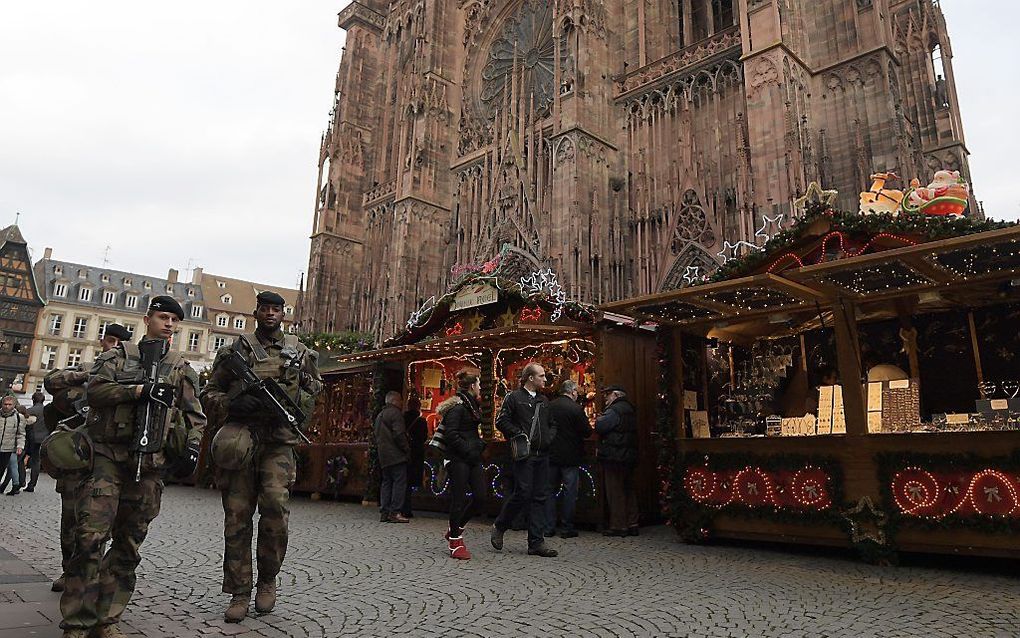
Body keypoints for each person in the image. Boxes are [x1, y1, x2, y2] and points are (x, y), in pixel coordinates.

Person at [59, 297, 205, 638]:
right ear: (147, 320)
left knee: (128, 545)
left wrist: (192, 448)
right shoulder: (118, 357)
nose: (168, 324)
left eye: (174, 319)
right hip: (108, 459)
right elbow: (93, 392)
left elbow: (194, 415)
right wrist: (139, 390)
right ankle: (77, 622)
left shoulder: (180, 367)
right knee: (90, 538)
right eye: (162, 317)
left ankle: (107, 619)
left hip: (151, 467)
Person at [201, 290, 322, 624]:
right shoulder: (234, 352)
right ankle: (240, 591)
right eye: (266, 308)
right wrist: (233, 404)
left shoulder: (300, 352)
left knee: (275, 514)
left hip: (279, 443)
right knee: (237, 516)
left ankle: (268, 580)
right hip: (242, 438)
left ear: (284, 315)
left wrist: (297, 402)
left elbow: (315, 389)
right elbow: (209, 392)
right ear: (256, 312)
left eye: (277, 309)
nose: (271, 314)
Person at [43, 322, 131, 593]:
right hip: (74, 459)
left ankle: (93, 576)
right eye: (111, 341)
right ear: (103, 341)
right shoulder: (86, 369)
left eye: (120, 343)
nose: (114, 347)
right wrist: (86, 374)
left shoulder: (125, 373)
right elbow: (51, 381)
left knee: (101, 522)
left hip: (105, 458)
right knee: (70, 521)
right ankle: (68, 571)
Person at [490, 362, 558, 558]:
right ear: (530, 378)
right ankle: (501, 525)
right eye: (542, 376)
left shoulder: (544, 401)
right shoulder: (514, 398)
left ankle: (536, 542)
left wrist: (548, 438)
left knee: (540, 496)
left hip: (542, 453)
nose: (545, 379)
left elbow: (552, 424)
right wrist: (519, 435)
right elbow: (502, 421)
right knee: (523, 492)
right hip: (524, 454)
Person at [438, 370, 485, 559]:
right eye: (479, 384)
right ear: (472, 386)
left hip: (472, 457)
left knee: (480, 496)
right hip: (458, 458)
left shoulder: (472, 406)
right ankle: (455, 541)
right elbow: (451, 434)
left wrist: (478, 446)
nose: (481, 387)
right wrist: (468, 448)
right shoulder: (457, 408)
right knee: (458, 499)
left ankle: (455, 528)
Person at [545, 380, 591, 538]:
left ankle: (549, 527)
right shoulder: (576, 409)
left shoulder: (549, 406)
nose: (577, 394)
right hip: (571, 456)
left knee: (549, 491)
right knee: (570, 492)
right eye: (576, 392)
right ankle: (567, 527)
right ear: (572, 392)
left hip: (551, 455)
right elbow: (587, 431)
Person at [596, 385, 639, 537]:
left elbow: (600, 426)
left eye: (607, 395)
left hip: (615, 455)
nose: (605, 398)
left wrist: (598, 418)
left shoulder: (614, 410)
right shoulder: (629, 408)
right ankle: (632, 523)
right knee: (629, 489)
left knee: (615, 491)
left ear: (614, 395)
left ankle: (619, 525)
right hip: (629, 455)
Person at [374, 391, 409, 524]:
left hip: (383, 455)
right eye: (400, 400)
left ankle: (384, 512)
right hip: (396, 454)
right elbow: (399, 434)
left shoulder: (380, 415)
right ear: (394, 401)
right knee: (399, 482)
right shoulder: (395, 414)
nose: (401, 403)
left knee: (386, 482)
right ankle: (395, 512)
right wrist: (406, 449)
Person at [401, 397, 427, 518]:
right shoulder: (421, 421)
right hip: (416, 454)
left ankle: (399, 506)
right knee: (410, 482)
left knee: (402, 480)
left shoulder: (402, 418)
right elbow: (424, 437)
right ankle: (407, 507)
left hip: (403, 452)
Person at [0, 395, 27, 495]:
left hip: (9, 448)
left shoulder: (18, 417)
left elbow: (21, 434)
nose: (7, 406)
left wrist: (20, 446)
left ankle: (15, 484)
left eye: (9, 404)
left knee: (6, 468)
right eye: (5, 404)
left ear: (14, 405)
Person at [23, 391, 48, 492]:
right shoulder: (47, 411)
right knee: (36, 462)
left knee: (21, 460)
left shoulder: (29, 410)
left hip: (30, 438)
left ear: (33, 399)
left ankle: (21, 480)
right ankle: (32, 484)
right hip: (43, 439)